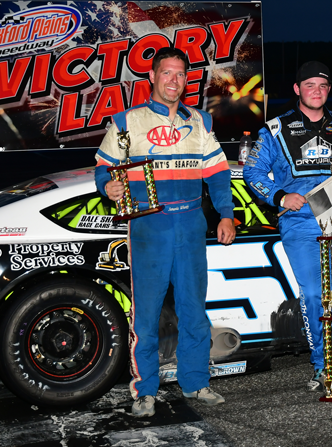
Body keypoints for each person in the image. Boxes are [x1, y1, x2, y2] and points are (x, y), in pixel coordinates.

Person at [94, 47, 236, 416]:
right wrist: (107, 186)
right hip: (149, 227)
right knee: (147, 315)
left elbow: (218, 173)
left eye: (180, 74)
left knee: (194, 310)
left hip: (190, 225)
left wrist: (226, 214)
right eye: (167, 73)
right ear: (152, 77)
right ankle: (144, 391)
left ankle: (196, 382)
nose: (174, 80)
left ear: (186, 80)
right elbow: (103, 168)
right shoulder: (126, 122)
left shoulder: (200, 121)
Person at [243, 61, 332, 394]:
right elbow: (252, 172)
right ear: (297, 89)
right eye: (309, 85)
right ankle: (323, 367)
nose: (317, 91)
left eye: (323, 86)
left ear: (329, 90)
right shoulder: (276, 129)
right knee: (314, 295)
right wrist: (279, 196)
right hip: (300, 224)